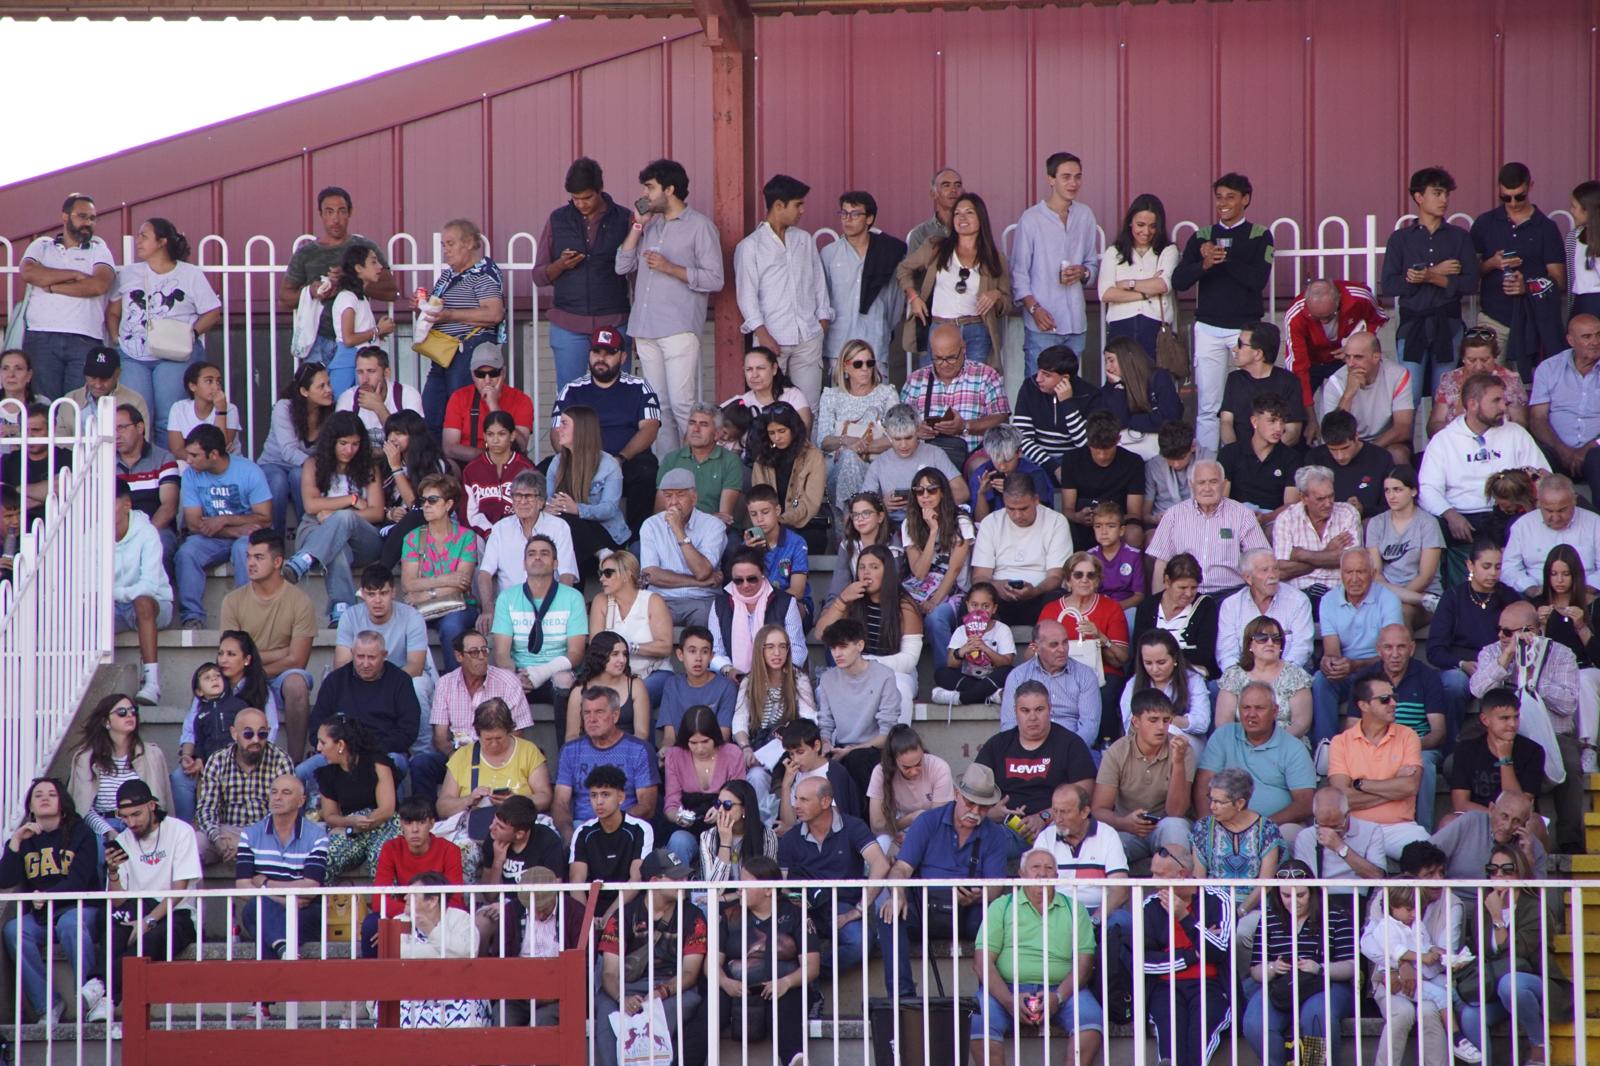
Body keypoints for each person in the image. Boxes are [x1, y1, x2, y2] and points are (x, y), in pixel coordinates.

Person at [872, 764, 1008, 995]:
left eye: (983, 807)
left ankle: (989, 997)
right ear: (957, 795)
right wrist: (898, 894)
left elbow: (996, 886)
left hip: (968, 912)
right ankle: (902, 997)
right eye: (970, 803)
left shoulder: (995, 834)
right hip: (924, 906)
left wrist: (979, 895)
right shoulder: (928, 821)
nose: (975, 812)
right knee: (887, 915)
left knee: (999, 921)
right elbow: (901, 869)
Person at [617, 159, 724, 453]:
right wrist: (638, 226)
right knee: (657, 408)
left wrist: (670, 268)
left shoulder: (700, 227)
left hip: (678, 327)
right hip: (645, 327)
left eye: (650, 187)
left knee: (682, 405)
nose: (646, 194)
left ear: (670, 189)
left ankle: (694, 472)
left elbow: (716, 278)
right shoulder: (650, 227)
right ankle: (668, 479)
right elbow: (621, 265)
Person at [968, 847, 1104, 1066]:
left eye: (1049, 868)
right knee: (977, 1020)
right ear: (1021, 874)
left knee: (1090, 1021)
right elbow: (982, 962)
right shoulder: (1002, 906)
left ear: (1057, 877)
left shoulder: (1074, 909)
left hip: (1062, 989)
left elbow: (1085, 964)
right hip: (1007, 987)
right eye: (1036, 867)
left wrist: (1058, 997)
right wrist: (1008, 1000)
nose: (1042, 873)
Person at [1468, 600, 1584, 851]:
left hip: (1551, 733)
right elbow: (1477, 690)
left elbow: (1568, 705)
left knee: (1572, 764)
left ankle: (1570, 841)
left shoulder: (1562, 654)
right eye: (1500, 629)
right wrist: (1506, 658)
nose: (1501, 636)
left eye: (1509, 632)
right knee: (1459, 758)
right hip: (1501, 731)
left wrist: (1533, 679)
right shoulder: (1492, 651)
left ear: (1531, 630)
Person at [1171, 173, 1274, 453]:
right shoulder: (1202, 235)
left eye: (1231, 196)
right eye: (1219, 197)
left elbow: (1257, 280)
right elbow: (1179, 281)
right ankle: (1208, 466)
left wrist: (1224, 258)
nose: (1223, 203)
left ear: (1246, 199)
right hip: (1207, 328)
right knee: (1207, 406)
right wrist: (1204, 264)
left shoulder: (1259, 234)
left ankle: (1254, 460)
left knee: (1257, 399)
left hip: (1246, 330)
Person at [1418, 374, 1548, 575]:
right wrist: (1450, 514)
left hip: (1509, 514)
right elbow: (1428, 488)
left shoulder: (1516, 433)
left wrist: (1526, 502)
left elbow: (1544, 477)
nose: (1503, 407)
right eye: (1495, 401)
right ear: (1472, 404)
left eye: (1504, 401)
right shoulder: (1444, 440)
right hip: (1462, 516)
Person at [1455, 845, 1572, 1066]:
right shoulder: (1484, 908)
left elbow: (1518, 955)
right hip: (1496, 987)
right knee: (1471, 1015)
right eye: (1493, 869)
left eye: (1507, 869)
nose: (1499, 875)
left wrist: (1498, 918)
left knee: (1511, 983)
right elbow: (1481, 952)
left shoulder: (1534, 907)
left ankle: (1539, 1046)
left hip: (1535, 983)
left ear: (1520, 872)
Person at [97, 779, 201, 1023]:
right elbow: (117, 903)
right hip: (135, 909)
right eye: (125, 817)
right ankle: (103, 993)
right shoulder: (123, 840)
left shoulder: (180, 831)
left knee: (150, 940)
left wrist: (148, 922)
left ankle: (104, 991)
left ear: (152, 806)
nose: (131, 822)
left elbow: (180, 889)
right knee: (112, 930)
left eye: (136, 814)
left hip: (178, 912)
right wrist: (112, 872)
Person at [0, 777, 101, 1025]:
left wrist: (47, 896)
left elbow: (80, 878)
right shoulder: (25, 838)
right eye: (38, 795)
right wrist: (15, 841)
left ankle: (92, 1000)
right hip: (42, 915)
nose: (45, 797)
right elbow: (5, 879)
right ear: (31, 808)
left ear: (62, 803)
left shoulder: (81, 833)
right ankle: (48, 1004)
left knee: (69, 924)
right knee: (14, 930)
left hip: (81, 908)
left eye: (51, 794)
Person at [594, 849, 709, 1066]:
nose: (685, 881)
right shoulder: (624, 915)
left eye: (685, 876)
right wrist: (622, 999)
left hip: (672, 988)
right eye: (677, 877)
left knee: (660, 1014)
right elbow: (609, 972)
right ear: (655, 880)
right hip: (625, 987)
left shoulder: (693, 915)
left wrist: (660, 992)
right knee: (608, 1013)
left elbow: (690, 973)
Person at [1239, 859, 1358, 1066]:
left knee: (1316, 1015)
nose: (1293, 900)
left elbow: (1351, 965)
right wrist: (1272, 968)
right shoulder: (1270, 918)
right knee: (1255, 1023)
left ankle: (1316, 1065)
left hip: (1327, 985)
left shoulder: (1335, 915)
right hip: (1282, 986)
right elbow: (1256, 970)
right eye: (1286, 895)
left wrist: (1320, 968)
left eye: (1301, 894)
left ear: (1313, 891)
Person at [1380, 166, 1479, 405]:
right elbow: (1389, 284)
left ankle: (1439, 443)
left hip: (1449, 325)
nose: (1444, 200)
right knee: (1408, 396)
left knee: (1444, 398)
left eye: (1446, 194)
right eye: (1437, 193)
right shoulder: (1400, 239)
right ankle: (1407, 443)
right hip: (1413, 325)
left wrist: (1429, 277)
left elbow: (1471, 282)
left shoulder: (1459, 237)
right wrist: (1436, 272)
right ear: (1419, 197)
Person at [734, 174, 832, 411]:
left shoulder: (804, 240)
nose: (802, 211)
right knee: (768, 406)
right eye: (798, 205)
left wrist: (822, 322)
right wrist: (763, 335)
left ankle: (807, 449)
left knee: (809, 407)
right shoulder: (750, 246)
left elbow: (818, 283)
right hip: (772, 337)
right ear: (779, 205)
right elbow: (746, 296)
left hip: (808, 336)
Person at [551, 325, 662, 534]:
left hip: (626, 461)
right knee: (544, 470)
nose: (602, 358)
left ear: (622, 357)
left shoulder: (639, 386)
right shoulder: (572, 389)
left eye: (610, 353)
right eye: (596, 352)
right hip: (581, 462)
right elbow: (557, 432)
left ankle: (637, 541)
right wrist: (576, 461)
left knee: (646, 472)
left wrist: (619, 459)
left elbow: (650, 429)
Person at [535, 157, 634, 391]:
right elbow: (539, 276)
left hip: (614, 320)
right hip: (567, 321)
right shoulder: (558, 219)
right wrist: (561, 264)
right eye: (575, 198)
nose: (581, 204)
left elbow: (636, 274)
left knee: (618, 393)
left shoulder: (624, 218)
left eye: (587, 197)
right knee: (569, 395)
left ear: (600, 190)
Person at [778, 775, 888, 977]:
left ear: (826, 801)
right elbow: (782, 886)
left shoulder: (853, 827)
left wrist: (858, 910)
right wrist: (798, 903)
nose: (796, 805)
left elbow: (880, 864)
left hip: (842, 905)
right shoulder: (790, 839)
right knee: (776, 946)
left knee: (860, 943)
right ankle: (805, 980)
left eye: (804, 800)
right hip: (803, 908)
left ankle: (806, 976)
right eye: (796, 798)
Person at [220, 531, 317, 759]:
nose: (250, 563)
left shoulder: (300, 602)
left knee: (296, 682)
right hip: (245, 677)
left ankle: (294, 763)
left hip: (280, 677)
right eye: (249, 557)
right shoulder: (232, 601)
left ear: (277, 561)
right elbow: (231, 657)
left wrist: (250, 661)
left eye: (259, 557)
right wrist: (282, 652)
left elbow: (298, 660)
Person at [715, 855, 820, 1066]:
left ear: (768, 889)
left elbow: (812, 967)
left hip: (782, 984)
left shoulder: (796, 914)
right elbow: (712, 963)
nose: (739, 889)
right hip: (735, 986)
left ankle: (795, 1060)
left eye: (746, 884)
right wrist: (725, 982)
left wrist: (786, 982)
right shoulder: (728, 915)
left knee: (787, 1000)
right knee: (709, 1004)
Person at [283, 410, 385, 625]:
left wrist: (337, 515)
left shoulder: (369, 467)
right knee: (337, 548)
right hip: (315, 529)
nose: (349, 450)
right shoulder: (314, 464)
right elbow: (311, 505)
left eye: (355, 444)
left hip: (362, 536)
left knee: (344, 519)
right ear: (331, 442)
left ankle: (305, 559)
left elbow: (376, 512)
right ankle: (341, 610)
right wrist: (352, 499)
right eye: (343, 443)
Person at [1140, 842, 1235, 1066]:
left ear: (1182, 874)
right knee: (1171, 1051)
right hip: (1165, 987)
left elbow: (1218, 951)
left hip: (1210, 985)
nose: (1152, 881)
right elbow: (1143, 961)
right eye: (1151, 873)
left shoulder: (1218, 899)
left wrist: (1183, 915)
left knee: (1197, 1047)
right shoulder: (1149, 905)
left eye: (1159, 875)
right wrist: (1192, 955)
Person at [278, 186, 395, 365]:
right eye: (329, 212)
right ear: (321, 214)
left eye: (341, 211)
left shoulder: (364, 248)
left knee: (356, 393)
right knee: (318, 392)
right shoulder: (306, 253)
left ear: (350, 213)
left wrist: (350, 279)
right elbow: (285, 299)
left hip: (358, 340)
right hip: (317, 339)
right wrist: (311, 291)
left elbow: (390, 291)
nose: (335, 219)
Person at [1472, 162, 1568, 376]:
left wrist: (1527, 286)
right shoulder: (1485, 223)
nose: (1513, 203)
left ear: (1530, 186)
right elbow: (1470, 274)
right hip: (1493, 316)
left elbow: (1559, 280)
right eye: (1506, 197)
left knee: (1534, 386)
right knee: (1487, 382)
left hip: (1534, 319)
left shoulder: (1546, 227)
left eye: (1519, 196)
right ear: (1498, 189)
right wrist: (1492, 263)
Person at [897, 194, 1013, 367]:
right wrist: (913, 297)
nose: (962, 218)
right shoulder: (936, 246)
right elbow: (903, 269)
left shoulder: (995, 258)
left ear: (981, 218)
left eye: (969, 212)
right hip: (940, 328)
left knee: (972, 389)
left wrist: (995, 295)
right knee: (935, 388)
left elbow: (1007, 303)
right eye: (957, 213)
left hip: (976, 330)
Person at [173, 423, 271, 627]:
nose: (188, 460)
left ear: (214, 454)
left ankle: (248, 616)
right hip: (213, 536)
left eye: (194, 455)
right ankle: (192, 616)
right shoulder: (191, 475)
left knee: (245, 549)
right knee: (187, 552)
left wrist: (225, 519)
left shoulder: (249, 471)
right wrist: (233, 530)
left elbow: (265, 517)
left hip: (244, 536)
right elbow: (193, 523)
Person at [417, 631, 534, 802]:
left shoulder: (508, 682)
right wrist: (459, 760)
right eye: (474, 652)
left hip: (497, 753)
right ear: (459, 656)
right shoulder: (445, 683)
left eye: (484, 651)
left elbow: (517, 733)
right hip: (457, 755)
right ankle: (427, 821)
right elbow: (440, 737)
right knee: (421, 764)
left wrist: (488, 756)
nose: (481, 657)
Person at [19, 193, 116, 397]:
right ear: (65, 217)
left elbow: (98, 285)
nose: (88, 223)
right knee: (44, 405)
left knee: (77, 407)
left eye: (92, 218)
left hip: (85, 337)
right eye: (82, 216)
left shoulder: (99, 250)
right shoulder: (42, 245)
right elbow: (28, 272)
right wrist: (74, 275)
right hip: (41, 335)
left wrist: (53, 286)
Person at [416, 218, 506, 440]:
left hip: (467, 350)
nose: (446, 250)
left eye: (451, 244)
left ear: (468, 243)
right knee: (432, 413)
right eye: (443, 245)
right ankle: (437, 470)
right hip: (444, 353)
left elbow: (494, 313)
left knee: (461, 414)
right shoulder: (449, 275)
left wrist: (449, 315)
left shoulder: (482, 274)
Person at [977, 681, 1097, 846]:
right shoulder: (997, 745)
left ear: (1050, 709)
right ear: (1015, 712)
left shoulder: (1071, 744)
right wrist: (989, 812)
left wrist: (1044, 817)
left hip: (1056, 827)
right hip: (1004, 827)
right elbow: (971, 793)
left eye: (1039, 710)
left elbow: (1084, 795)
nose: (1032, 717)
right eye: (1025, 710)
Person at [300, 630, 420, 794]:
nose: (365, 663)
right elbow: (317, 725)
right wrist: (341, 751)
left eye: (371, 657)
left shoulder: (400, 681)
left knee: (393, 765)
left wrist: (366, 752)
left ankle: (391, 816)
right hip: (339, 751)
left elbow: (408, 730)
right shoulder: (335, 681)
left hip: (384, 750)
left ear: (384, 655)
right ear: (352, 653)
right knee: (300, 773)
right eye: (360, 656)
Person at [1353, 624, 1449, 828]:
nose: (1395, 654)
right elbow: (1352, 726)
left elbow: (1438, 731)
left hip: (1419, 746)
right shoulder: (1366, 679)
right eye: (1388, 647)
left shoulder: (1427, 677)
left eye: (1401, 647)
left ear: (1412, 648)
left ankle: (1423, 831)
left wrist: (1408, 748)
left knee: (1423, 764)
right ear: (1379, 649)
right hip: (1376, 746)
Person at [1012, 152, 1099, 372]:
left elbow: (1092, 264)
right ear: (1051, 179)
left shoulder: (1085, 215)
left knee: (1069, 391)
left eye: (1077, 177)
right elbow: (1018, 273)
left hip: (1076, 322)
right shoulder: (1031, 219)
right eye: (1066, 176)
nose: (1073, 183)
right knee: (1038, 388)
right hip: (1044, 323)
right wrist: (1035, 309)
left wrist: (1083, 272)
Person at [1326, 676, 1429, 861]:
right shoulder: (1340, 742)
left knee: (1430, 861)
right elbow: (1342, 799)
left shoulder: (1408, 736)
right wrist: (1394, 785)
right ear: (1364, 706)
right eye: (1385, 699)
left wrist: (1360, 784)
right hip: (1354, 828)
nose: (1394, 703)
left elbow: (1410, 787)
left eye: (1394, 696)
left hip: (1400, 828)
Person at [1195, 681, 1317, 838]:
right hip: (1223, 823)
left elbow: (1305, 803)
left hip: (1273, 827)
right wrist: (1208, 825)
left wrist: (1259, 826)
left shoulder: (1293, 748)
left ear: (1275, 711)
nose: (1251, 714)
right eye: (1246, 708)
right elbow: (1203, 784)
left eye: (1259, 708)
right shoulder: (1222, 736)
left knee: (1291, 833)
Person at [1309, 550, 1403, 746]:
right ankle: (1325, 749)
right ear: (1341, 573)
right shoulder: (1329, 600)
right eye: (1348, 572)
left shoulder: (1388, 599)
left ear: (1372, 572)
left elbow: (1392, 654)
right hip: (1348, 672)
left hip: (1381, 671)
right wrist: (1331, 663)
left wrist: (1355, 665)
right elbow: (1332, 650)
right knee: (1321, 680)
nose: (1354, 579)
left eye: (1360, 572)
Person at [235, 774, 330, 961]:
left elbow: (311, 888)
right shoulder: (250, 834)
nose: (277, 797)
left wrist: (265, 884)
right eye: (274, 792)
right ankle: (284, 947)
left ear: (301, 801)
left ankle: (278, 961)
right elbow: (242, 887)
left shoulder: (317, 836)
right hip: (272, 907)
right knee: (255, 910)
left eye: (286, 793)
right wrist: (286, 900)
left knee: (263, 923)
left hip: (305, 912)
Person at [1094, 690, 1193, 864]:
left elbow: (1176, 812)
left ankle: (1177, 891)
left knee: (1175, 826)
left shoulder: (1182, 749)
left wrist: (1178, 762)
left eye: (1166, 720)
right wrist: (1124, 823)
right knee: (1105, 846)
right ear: (1136, 721)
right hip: (1126, 829)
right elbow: (1099, 809)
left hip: (1164, 826)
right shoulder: (1117, 751)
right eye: (1153, 720)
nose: (1161, 727)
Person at [729, 624, 816, 820]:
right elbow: (740, 721)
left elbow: (809, 720)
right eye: (770, 647)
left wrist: (773, 751)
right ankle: (758, 830)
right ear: (760, 650)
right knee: (756, 777)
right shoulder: (749, 682)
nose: (777, 653)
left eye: (782, 646)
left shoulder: (798, 679)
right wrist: (745, 748)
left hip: (789, 750)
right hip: (758, 746)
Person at [68, 692, 173, 854]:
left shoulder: (152, 754)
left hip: (143, 823)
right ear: (106, 722)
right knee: (96, 846)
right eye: (122, 712)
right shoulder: (86, 758)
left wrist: (136, 826)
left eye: (133, 711)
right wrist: (108, 831)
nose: (129, 715)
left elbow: (161, 802)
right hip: (102, 824)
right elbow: (83, 808)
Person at [490, 533, 587, 706]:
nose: (537, 557)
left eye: (544, 553)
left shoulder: (573, 597)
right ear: (524, 564)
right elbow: (501, 653)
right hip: (520, 673)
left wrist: (541, 673)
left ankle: (567, 734)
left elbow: (576, 654)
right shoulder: (507, 598)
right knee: (503, 684)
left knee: (564, 681)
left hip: (557, 673)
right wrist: (515, 676)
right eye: (531, 553)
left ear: (555, 564)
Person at [1147, 459, 1269, 596]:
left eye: (1213, 482)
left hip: (1230, 594)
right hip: (1187, 595)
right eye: (1201, 482)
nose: (1207, 488)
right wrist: (1159, 603)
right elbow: (1161, 563)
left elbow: (1262, 559)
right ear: (1191, 485)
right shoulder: (1174, 515)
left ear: (1223, 484)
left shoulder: (1242, 514)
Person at [899, 323, 1011, 471]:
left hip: (972, 455)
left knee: (980, 467)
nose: (944, 364)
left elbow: (1002, 418)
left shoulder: (986, 375)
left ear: (964, 349)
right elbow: (897, 422)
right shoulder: (916, 380)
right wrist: (914, 431)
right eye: (938, 358)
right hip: (923, 457)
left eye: (951, 358)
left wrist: (965, 426)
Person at [400, 472, 480, 675]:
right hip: (422, 607)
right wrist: (445, 579)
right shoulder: (412, 538)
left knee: (452, 626)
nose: (426, 505)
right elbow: (408, 584)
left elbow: (460, 584)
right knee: (400, 623)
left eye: (433, 500)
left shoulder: (466, 537)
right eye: (423, 500)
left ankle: (455, 685)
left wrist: (426, 592)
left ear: (448, 504)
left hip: (458, 606)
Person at [553, 688, 658, 842]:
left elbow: (647, 806)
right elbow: (560, 802)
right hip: (581, 827)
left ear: (615, 716)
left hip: (624, 829)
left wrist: (607, 826)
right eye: (586, 713)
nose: (592, 719)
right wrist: (569, 835)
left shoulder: (639, 750)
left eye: (599, 712)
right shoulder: (569, 751)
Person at [193, 706, 293, 866]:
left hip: (266, 834)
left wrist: (245, 841)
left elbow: (283, 812)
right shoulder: (218, 760)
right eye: (248, 734)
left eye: (262, 734)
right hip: (226, 832)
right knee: (194, 846)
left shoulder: (280, 760)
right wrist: (217, 839)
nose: (256, 740)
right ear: (234, 733)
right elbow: (207, 809)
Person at [813, 618, 902, 795]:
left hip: (875, 750)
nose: (837, 653)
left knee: (856, 760)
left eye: (843, 647)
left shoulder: (884, 676)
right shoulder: (827, 679)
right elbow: (826, 723)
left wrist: (850, 751)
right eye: (833, 648)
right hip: (841, 748)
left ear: (860, 645)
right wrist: (825, 744)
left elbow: (887, 734)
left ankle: (864, 821)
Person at [821, 191, 906, 372]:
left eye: (855, 214)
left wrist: (881, 324)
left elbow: (895, 301)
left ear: (869, 218)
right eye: (843, 213)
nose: (847, 219)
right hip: (839, 344)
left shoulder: (887, 254)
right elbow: (822, 300)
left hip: (875, 342)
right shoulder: (829, 254)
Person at [1532, 544, 1600, 770]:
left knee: (1584, 679)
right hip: (1552, 672)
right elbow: (1534, 654)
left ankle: (1588, 747)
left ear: (1575, 575)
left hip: (1586, 669)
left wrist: (1581, 626)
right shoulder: (1539, 606)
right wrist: (1539, 626)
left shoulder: (1592, 606)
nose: (1559, 580)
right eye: (1554, 574)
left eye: (1565, 574)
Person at [477, 473, 579, 621]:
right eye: (517, 496)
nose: (522, 501)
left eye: (529, 496)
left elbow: (566, 574)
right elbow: (485, 574)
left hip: (548, 605)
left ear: (541, 501)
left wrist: (560, 609)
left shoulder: (559, 527)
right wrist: (488, 610)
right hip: (509, 609)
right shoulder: (500, 528)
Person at [311, 715, 401, 878]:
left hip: (383, 826)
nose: (318, 748)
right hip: (350, 829)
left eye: (323, 742)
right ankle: (321, 904)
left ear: (340, 745)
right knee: (325, 857)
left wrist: (356, 826)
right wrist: (349, 823)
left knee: (381, 856)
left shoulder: (377, 763)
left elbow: (386, 809)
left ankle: (386, 904)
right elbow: (330, 816)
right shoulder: (326, 774)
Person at [1190, 767, 1283, 920]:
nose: (1212, 806)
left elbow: (1265, 883)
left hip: (1253, 909)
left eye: (1219, 802)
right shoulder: (1203, 828)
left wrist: (1239, 913)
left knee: (1242, 932)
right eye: (1211, 799)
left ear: (1240, 803)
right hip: (1213, 908)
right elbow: (1199, 878)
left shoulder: (1267, 830)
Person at [1282, 278, 1389, 409]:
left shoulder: (1358, 297)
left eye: (1329, 316)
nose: (1324, 322)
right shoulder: (1295, 315)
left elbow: (1378, 318)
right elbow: (1298, 367)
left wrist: (1354, 347)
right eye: (1316, 318)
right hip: (1311, 361)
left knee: (1363, 392)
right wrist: (1310, 416)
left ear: (1338, 299)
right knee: (1294, 400)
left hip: (1345, 358)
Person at [1442, 693, 1546, 827]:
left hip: (1517, 822)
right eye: (1504, 718)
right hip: (1479, 817)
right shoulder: (1466, 750)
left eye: (1516, 717)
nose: (1512, 724)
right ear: (1485, 720)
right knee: (1447, 822)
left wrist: (1505, 759)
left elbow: (1519, 806)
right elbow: (1460, 803)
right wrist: (1496, 817)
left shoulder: (1533, 751)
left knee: (1536, 823)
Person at [660, 705, 745, 867]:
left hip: (727, 826)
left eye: (705, 741)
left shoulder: (732, 754)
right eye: (693, 743)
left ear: (715, 736)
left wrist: (722, 810)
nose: (699, 748)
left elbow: (741, 795)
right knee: (678, 840)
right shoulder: (674, 756)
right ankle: (676, 890)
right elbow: (671, 803)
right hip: (689, 828)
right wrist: (678, 817)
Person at [545, 403, 630, 566]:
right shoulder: (556, 463)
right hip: (574, 537)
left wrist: (577, 509)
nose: (557, 429)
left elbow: (610, 509)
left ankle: (600, 553)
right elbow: (550, 501)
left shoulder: (609, 464)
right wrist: (550, 508)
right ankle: (601, 553)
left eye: (564, 423)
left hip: (605, 533)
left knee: (567, 520)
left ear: (581, 429)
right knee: (564, 523)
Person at [586, 550, 674, 704]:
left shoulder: (652, 601)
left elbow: (665, 647)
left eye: (608, 573)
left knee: (632, 698)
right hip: (612, 675)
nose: (601, 578)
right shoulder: (601, 601)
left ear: (627, 575)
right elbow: (596, 646)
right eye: (601, 573)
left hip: (654, 672)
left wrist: (629, 647)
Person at [1315, 332, 1415, 464]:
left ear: (1376, 357)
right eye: (1347, 357)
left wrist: (1367, 451)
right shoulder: (1336, 382)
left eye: (1358, 357)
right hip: (1347, 444)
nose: (1350, 363)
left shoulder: (1397, 375)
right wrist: (1348, 394)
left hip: (1385, 442)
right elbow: (1333, 431)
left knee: (1398, 453)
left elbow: (1403, 429)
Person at [113, 479, 171, 705]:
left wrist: (113, 593)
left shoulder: (147, 533)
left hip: (156, 605)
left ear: (127, 505)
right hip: (116, 607)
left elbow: (148, 586)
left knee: (142, 601)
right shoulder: (93, 532)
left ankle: (152, 684)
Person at [1099, 192, 1178, 358]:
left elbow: (1163, 285)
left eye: (1153, 226)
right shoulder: (1114, 252)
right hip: (1121, 325)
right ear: (1130, 223)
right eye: (1140, 225)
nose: (1146, 231)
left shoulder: (1167, 251)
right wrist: (1145, 292)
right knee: (1123, 378)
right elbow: (1106, 293)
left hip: (1154, 325)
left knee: (1153, 378)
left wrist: (1129, 284)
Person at [257, 363, 333, 534]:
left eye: (329, 384)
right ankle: (273, 539)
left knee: (299, 476)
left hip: (302, 468)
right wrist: (314, 465)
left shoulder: (330, 412)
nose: (328, 390)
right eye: (321, 386)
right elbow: (288, 451)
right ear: (304, 391)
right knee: (277, 482)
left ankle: (306, 534)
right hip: (274, 464)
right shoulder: (284, 407)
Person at [1365, 465, 1444, 630]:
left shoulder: (1428, 523)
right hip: (1385, 593)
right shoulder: (1376, 523)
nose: (1391, 496)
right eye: (1387, 491)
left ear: (1413, 491)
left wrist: (1399, 598)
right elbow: (1376, 573)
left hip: (1423, 594)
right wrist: (1394, 597)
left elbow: (1426, 576)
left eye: (1397, 490)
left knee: (1400, 613)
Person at [859, 403, 967, 522]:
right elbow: (863, 506)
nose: (903, 445)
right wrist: (881, 504)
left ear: (917, 431)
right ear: (888, 436)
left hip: (931, 522)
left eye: (908, 438)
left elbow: (962, 492)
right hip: (893, 528)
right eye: (897, 439)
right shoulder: (879, 464)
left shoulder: (935, 454)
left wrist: (928, 500)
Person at [710, 552, 810, 681]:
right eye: (738, 580)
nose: (745, 585)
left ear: (763, 574)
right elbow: (716, 650)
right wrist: (728, 670)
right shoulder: (720, 604)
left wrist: (776, 674)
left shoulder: (785, 602)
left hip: (779, 678)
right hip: (734, 681)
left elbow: (797, 649)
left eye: (751, 579)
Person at [1057, 408, 1147, 551]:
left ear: (1118, 439)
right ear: (1088, 442)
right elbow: (1067, 510)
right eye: (1096, 449)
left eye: (1107, 449)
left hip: (1118, 524)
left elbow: (1134, 513)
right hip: (1082, 525)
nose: (1102, 456)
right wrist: (1078, 517)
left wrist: (1108, 521)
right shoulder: (1071, 460)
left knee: (1134, 533)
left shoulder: (1133, 462)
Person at [1214, 616, 1313, 743]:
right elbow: (1223, 722)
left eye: (1276, 639)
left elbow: (1301, 724)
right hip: (1240, 744)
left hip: (1286, 744)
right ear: (1249, 644)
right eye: (1262, 638)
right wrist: (1245, 745)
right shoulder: (1233, 675)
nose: (1270, 643)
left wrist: (1271, 744)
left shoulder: (1296, 675)